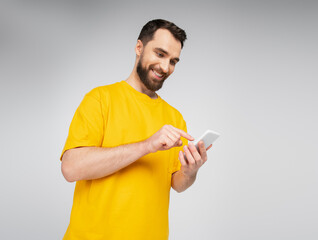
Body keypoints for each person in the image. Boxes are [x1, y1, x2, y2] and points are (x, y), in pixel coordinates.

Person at [60, 19, 211, 240]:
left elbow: (177, 183)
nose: (165, 67)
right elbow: (70, 168)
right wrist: (147, 145)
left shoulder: (174, 117)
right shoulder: (100, 99)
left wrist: (190, 171)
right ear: (139, 47)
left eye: (173, 61)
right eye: (160, 54)